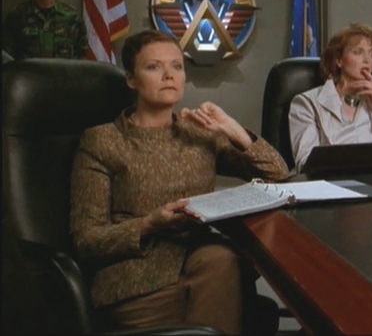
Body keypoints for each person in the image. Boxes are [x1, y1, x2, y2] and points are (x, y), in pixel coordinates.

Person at [69, 29, 289, 334]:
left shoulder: (199, 132)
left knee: (221, 261)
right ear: (131, 79)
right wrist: (150, 223)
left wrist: (233, 129)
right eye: (153, 67)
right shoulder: (102, 140)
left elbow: (277, 174)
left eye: (176, 66)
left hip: (204, 264)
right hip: (136, 278)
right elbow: (86, 240)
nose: (168, 75)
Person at [288, 23, 372, 172]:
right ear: (338, 60)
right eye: (358, 52)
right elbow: (305, 163)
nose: (367, 60)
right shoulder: (307, 104)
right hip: (328, 181)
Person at [3, 0, 88, 60]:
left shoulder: (71, 16)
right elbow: (7, 54)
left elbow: (81, 53)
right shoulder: (18, 14)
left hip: (62, 70)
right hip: (29, 70)